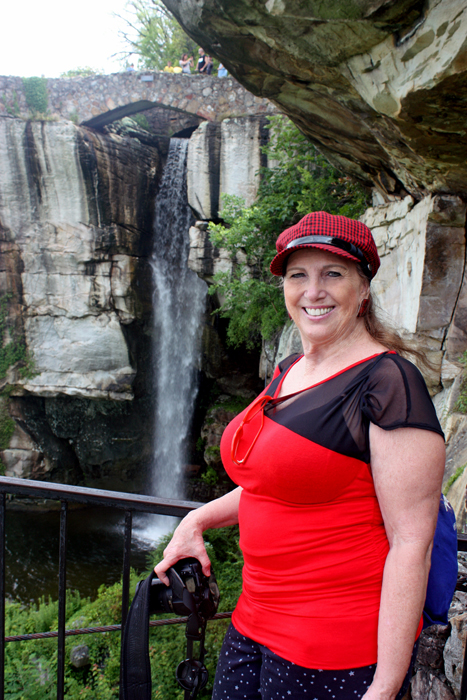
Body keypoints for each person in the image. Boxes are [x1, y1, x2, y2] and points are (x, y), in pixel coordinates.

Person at [155, 211, 445, 700]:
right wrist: (196, 521)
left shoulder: (387, 383)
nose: (314, 291)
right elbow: (271, 484)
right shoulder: (290, 369)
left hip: (333, 648)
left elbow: (410, 545)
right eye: (298, 276)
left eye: (332, 273)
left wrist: (385, 687)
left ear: (364, 288)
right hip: (252, 625)